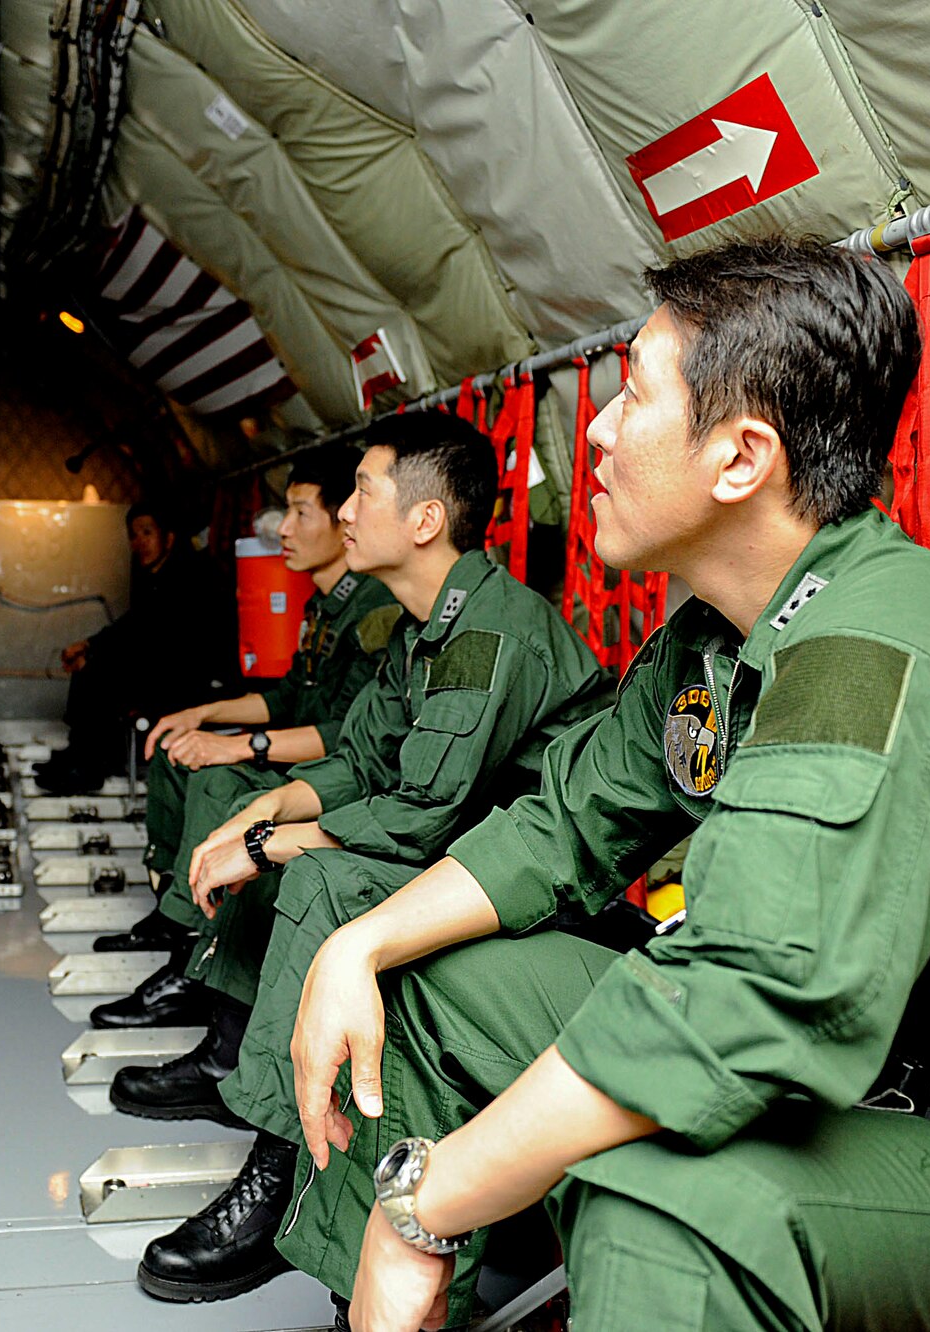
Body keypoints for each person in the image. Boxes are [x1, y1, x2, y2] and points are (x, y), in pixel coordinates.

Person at [256, 239, 930, 1331]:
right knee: (425, 978)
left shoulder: (868, 652)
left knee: (660, 1210)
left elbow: (746, 996)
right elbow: (562, 824)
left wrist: (421, 1205)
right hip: (858, 1086)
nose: (592, 432)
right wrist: (351, 945)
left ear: (740, 459)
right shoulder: (711, 636)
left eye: (631, 396)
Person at [124, 412, 615, 1304]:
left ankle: (282, 1174)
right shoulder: (422, 627)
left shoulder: (488, 631)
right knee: (279, 842)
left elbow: (422, 814)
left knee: (321, 877)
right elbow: (361, 760)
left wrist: (273, 844)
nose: (346, 510)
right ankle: (245, 1065)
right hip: (469, 864)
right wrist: (260, 810)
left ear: (424, 520)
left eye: (364, 491)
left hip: (541, 895)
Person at [85, 445, 399, 989]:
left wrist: (238, 747)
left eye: (302, 514)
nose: (285, 530)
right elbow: (286, 700)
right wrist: (202, 715)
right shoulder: (323, 604)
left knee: (218, 780)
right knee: (179, 750)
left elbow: (347, 737)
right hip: (308, 755)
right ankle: (172, 905)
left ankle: (191, 952)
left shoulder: (373, 609)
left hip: (341, 777)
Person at [34, 501, 237, 794]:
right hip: (164, 668)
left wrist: (96, 656)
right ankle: (79, 753)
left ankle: (88, 766)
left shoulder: (188, 579)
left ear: (168, 538)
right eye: (133, 535)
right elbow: (132, 627)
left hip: (190, 679)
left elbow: (158, 643)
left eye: (147, 533)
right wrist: (88, 645)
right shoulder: (157, 578)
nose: (138, 542)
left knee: (98, 674)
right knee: (94, 669)